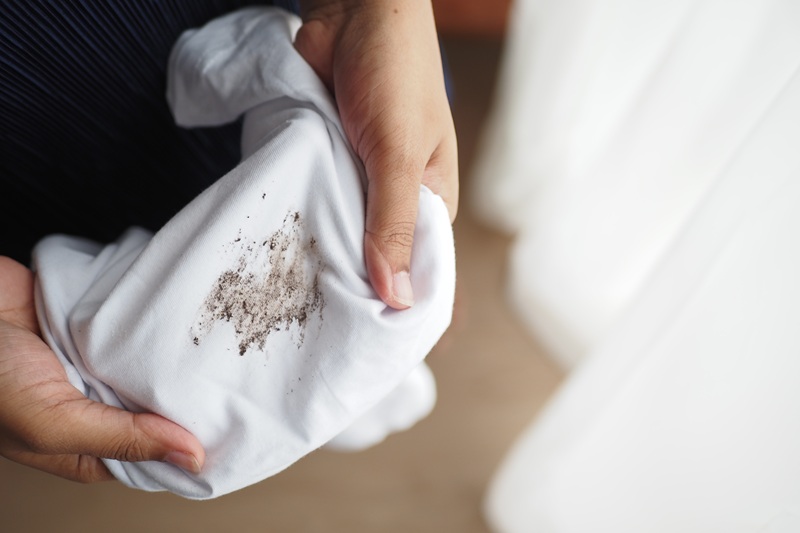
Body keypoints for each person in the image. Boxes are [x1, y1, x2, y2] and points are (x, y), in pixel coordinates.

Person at [0, 0, 458, 484]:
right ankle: (347, 383)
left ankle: (354, 380)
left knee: (391, 184)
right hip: (31, 131)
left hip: (332, 61)